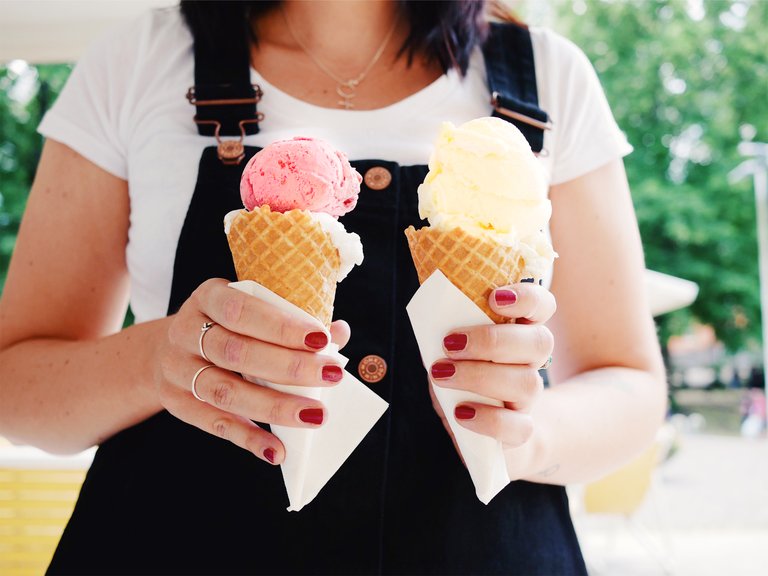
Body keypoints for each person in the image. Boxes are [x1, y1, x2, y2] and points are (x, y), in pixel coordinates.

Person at [0, 1, 667, 574]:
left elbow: (631, 381)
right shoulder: (141, 60)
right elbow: (14, 386)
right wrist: (155, 360)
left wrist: (531, 433)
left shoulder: (547, 77)